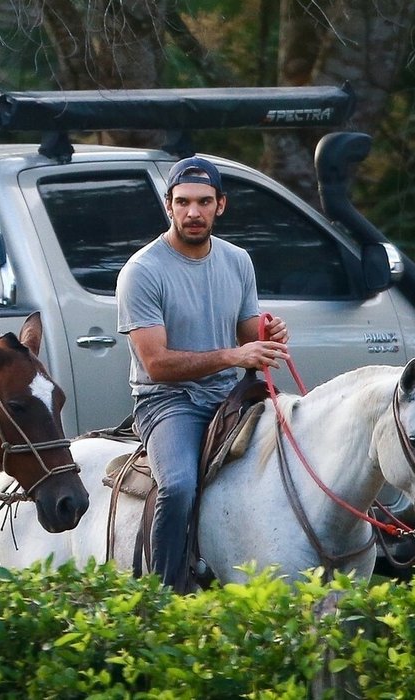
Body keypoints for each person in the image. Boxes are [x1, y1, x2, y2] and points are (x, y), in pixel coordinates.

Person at [116, 156, 289, 592]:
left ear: (221, 206)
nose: (194, 212)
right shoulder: (142, 271)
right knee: (176, 486)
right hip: (167, 401)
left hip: (231, 396)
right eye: (184, 202)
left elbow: (251, 336)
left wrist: (269, 334)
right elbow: (156, 364)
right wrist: (235, 355)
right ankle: (164, 593)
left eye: (204, 202)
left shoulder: (238, 261)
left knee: (301, 453)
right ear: (168, 207)